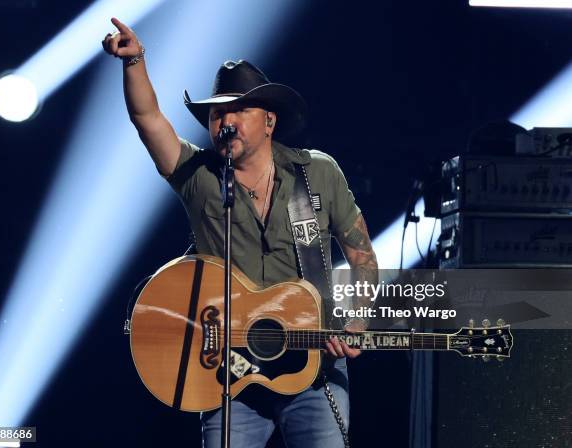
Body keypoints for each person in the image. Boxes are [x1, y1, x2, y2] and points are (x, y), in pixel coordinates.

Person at [102, 17, 378, 448]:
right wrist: (134, 61)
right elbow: (147, 118)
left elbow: (361, 256)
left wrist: (356, 319)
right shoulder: (199, 176)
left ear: (269, 121)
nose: (223, 121)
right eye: (216, 114)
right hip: (225, 372)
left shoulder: (316, 173)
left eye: (236, 110)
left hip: (310, 367)